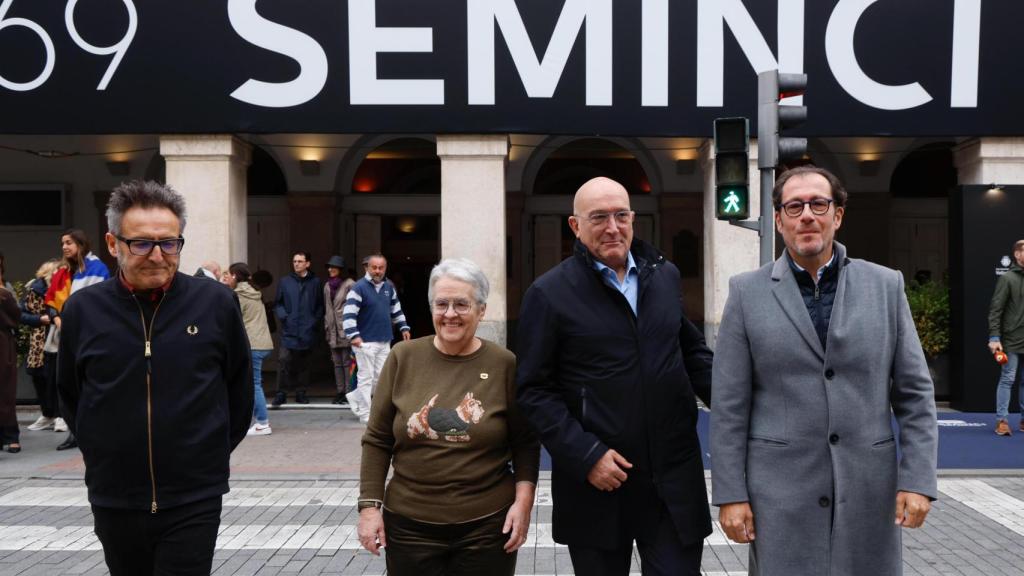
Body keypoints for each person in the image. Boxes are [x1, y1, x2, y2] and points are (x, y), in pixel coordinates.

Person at [710, 165, 938, 575]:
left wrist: (918, 479)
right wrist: (731, 494)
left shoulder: (886, 286)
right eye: (794, 206)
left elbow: (915, 396)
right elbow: (729, 405)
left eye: (819, 203)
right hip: (779, 496)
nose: (807, 215)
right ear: (779, 220)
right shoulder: (746, 293)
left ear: (838, 215)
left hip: (868, 490)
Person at [516, 177, 713, 576]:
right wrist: (586, 455)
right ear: (575, 226)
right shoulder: (549, 293)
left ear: (633, 219)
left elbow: (691, 352)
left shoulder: (664, 276)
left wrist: (742, 405)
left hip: (672, 484)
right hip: (599, 486)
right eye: (599, 217)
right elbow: (534, 390)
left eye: (621, 215)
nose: (612, 227)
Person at [56, 180, 252, 576]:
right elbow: (72, 395)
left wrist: (205, 454)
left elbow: (239, 391)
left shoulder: (215, 303)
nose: (158, 255)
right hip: (114, 496)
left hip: (194, 496)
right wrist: (103, 452)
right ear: (113, 244)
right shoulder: (83, 310)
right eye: (141, 243)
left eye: (169, 243)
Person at [358, 258, 539, 575]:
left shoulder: (504, 364)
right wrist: (369, 509)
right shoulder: (403, 357)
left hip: (487, 527)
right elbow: (377, 439)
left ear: (481, 310)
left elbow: (525, 443)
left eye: (462, 304)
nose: (450, 314)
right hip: (409, 525)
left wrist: (523, 505)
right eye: (442, 304)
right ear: (431, 308)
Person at [45, 228, 110, 450]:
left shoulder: (97, 269)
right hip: (66, 334)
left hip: (89, 334)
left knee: (86, 381)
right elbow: (52, 301)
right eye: (63, 243)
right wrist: (56, 319)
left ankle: (86, 430)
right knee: (66, 381)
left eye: (69, 242)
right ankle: (74, 430)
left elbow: (98, 305)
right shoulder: (64, 273)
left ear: (81, 245)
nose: (64, 247)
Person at [344, 254, 412, 423]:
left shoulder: (389, 287)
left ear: (385, 268)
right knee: (366, 378)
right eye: (374, 267)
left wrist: (404, 327)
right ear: (367, 267)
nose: (377, 271)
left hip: (384, 339)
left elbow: (396, 309)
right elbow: (348, 314)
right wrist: (354, 336)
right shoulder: (358, 288)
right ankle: (366, 414)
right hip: (364, 341)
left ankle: (355, 396)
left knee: (381, 378)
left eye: (381, 268)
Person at [223, 262, 275, 436]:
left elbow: (233, 320)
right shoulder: (254, 292)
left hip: (253, 344)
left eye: (229, 274)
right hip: (262, 343)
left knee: (254, 384)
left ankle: (262, 423)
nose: (227, 278)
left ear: (235, 276)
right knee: (253, 383)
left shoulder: (239, 295)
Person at [272, 251, 323, 407]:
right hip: (289, 329)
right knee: (284, 361)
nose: (296, 264)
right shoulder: (285, 281)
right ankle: (281, 393)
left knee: (304, 363)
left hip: (307, 329)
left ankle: (301, 392)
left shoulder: (315, 282)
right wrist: (284, 317)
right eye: (294, 261)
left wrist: (314, 321)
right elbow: (278, 303)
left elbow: (320, 305)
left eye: (300, 261)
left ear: (307, 263)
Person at [987, 239, 1024, 436]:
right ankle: (1002, 421)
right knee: (1008, 379)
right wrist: (994, 337)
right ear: (1017, 255)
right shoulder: (1007, 278)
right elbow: (996, 310)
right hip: (1010, 340)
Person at [20, 259, 59, 431]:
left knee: (55, 376)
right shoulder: (34, 289)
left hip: (56, 336)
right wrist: (38, 319)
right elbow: (20, 314)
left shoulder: (60, 289)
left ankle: (60, 415)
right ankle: (48, 414)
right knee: (39, 375)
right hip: (40, 337)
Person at [323, 255, 355, 405]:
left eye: (333, 267)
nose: (330, 269)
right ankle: (339, 391)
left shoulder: (350, 284)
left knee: (347, 362)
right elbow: (327, 309)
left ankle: (349, 393)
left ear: (341, 270)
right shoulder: (327, 286)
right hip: (332, 330)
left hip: (346, 329)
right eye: (329, 267)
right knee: (336, 363)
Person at [0, 252, 21, 453]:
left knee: (6, 390)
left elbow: (16, 315)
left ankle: (11, 434)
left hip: (3, 344)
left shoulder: (5, 290)